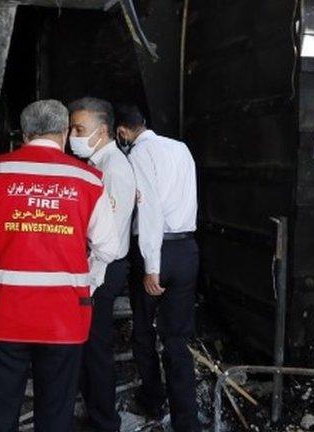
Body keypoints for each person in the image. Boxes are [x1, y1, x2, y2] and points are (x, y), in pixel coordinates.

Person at [0, 99, 119, 432]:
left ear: (25, 133)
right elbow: (109, 247)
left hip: (5, 312)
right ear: (63, 133)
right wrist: (86, 281)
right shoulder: (89, 179)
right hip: (65, 316)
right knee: (56, 412)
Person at [116, 104, 200, 432]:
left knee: (143, 333)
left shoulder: (138, 155)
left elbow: (149, 210)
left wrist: (152, 265)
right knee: (177, 340)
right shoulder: (180, 148)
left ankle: (153, 398)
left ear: (122, 131)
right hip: (187, 249)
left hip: (158, 252)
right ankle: (187, 423)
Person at [68, 97, 136, 432]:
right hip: (94, 269)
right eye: (72, 128)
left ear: (103, 130)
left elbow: (108, 235)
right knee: (88, 347)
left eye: (80, 129)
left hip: (104, 271)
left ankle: (105, 422)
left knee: (96, 349)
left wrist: (90, 280)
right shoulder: (98, 165)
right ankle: (95, 413)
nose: (73, 135)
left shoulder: (112, 169)